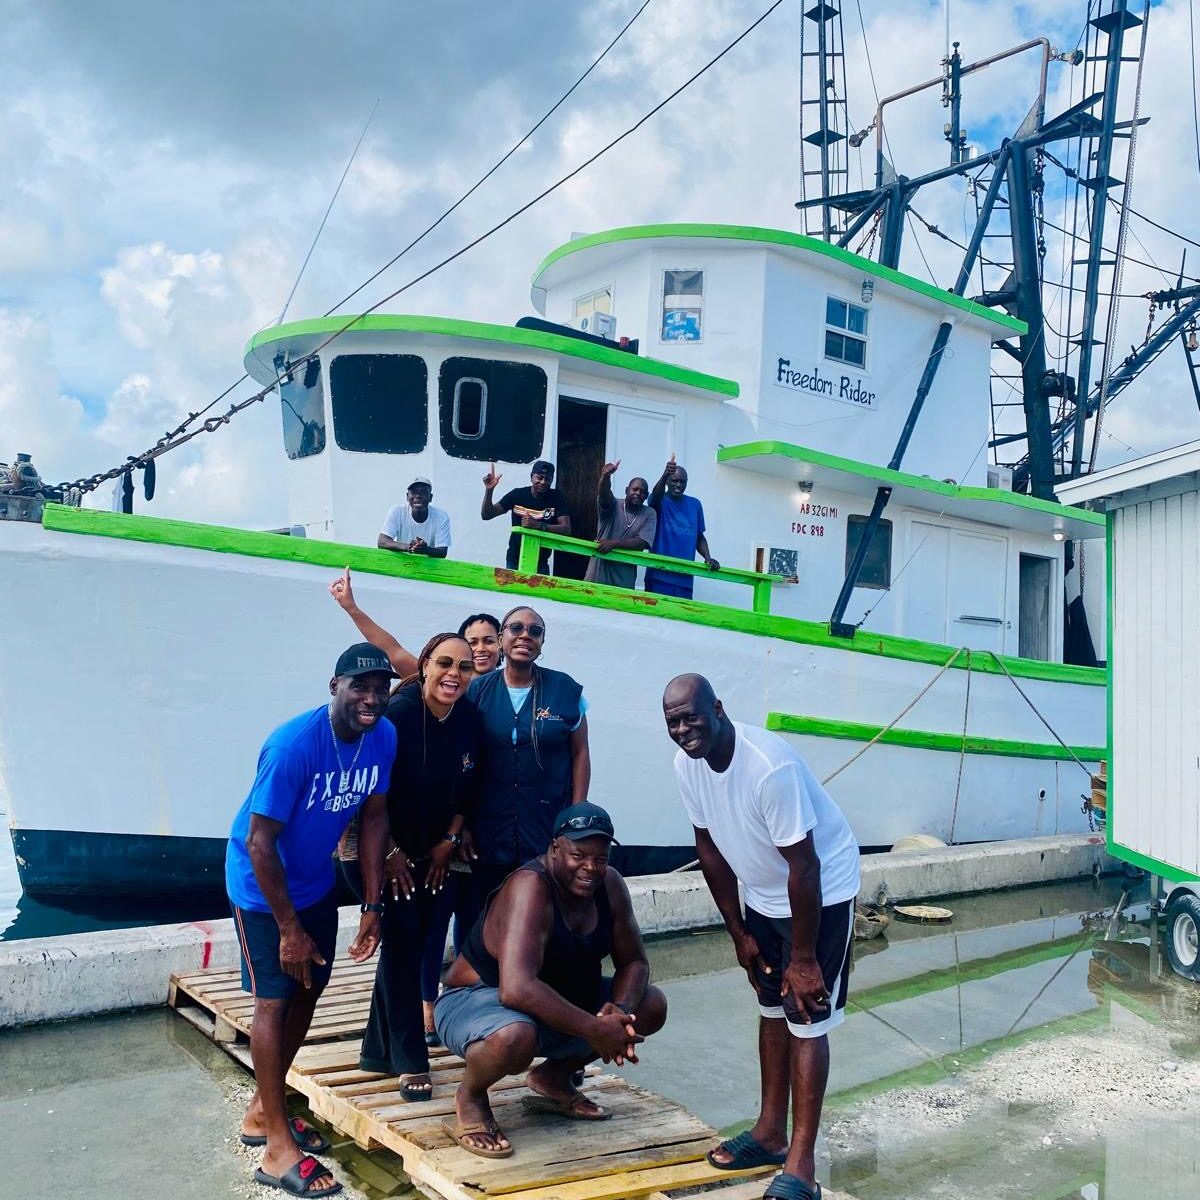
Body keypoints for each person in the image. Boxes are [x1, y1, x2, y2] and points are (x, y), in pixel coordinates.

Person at [662, 674, 861, 1200]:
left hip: (820, 893)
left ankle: (801, 1166)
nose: (684, 729)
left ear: (719, 709)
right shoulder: (688, 765)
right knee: (772, 1008)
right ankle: (770, 1133)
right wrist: (738, 932)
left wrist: (804, 957)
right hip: (763, 893)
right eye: (673, 722)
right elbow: (707, 848)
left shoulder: (769, 767)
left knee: (807, 1015)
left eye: (691, 716)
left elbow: (806, 866)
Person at [226, 643, 399, 1198]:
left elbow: (374, 820)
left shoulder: (383, 737)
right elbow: (259, 843)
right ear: (334, 686)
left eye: (381, 687)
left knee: (308, 990)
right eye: (360, 686)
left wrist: (372, 905)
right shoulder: (293, 746)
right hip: (261, 889)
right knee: (274, 999)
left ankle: (262, 1112)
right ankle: (277, 1147)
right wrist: (288, 929)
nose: (371, 698)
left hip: (315, 885)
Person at [434, 803, 667, 1158]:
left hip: (554, 995)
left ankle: (553, 1078)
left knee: (650, 1005)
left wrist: (617, 1012)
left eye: (600, 858)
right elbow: (516, 988)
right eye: (578, 855)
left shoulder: (611, 885)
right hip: (475, 998)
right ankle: (471, 1095)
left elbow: (634, 961)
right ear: (555, 848)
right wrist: (594, 1028)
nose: (591, 868)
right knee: (515, 1036)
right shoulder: (530, 887)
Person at [357, 633, 485, 1098]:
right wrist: (390, 853)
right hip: (383, 847)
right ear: (425, 665)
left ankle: (376, 1049)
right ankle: (411, 1060)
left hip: (435, 852)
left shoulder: (469, 718)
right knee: (404, 944)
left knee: (412, 937)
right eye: (445, 663)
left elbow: (470, 788)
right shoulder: (399, 717)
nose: (454, 674)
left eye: (465, 667)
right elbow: (372, 800)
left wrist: (450, 840)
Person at [466, 605, 590, 907]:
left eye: (535, 631)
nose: (525, 635)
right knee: (483, 909)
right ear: (500, 638)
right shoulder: (476, 691)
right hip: (488, 826)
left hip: (546, 823)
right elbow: (464, 759)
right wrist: (463, 826)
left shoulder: (566, 689)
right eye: (516, 628)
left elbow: (580, 753)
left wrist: (576, 815)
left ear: (542, 642)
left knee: (544, 905)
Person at [644, 455, 719, 598]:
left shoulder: (695, 504)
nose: (678, 485)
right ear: (667, 481)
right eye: (674, 481)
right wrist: (665, 473)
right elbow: (654, 498)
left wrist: (708, 557)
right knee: (654, 619)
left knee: (680, 620)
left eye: (682, 482)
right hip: (658, 575)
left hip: (685, 579)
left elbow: (699, 537)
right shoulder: (660, 501)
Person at [480, 459, 571, 573]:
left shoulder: (556, 497)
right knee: (513, 591)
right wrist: (489, 491)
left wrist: (538, 525)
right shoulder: (517, 495)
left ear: (552, 480)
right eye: (539, 477)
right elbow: (487, 515)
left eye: (547, 479)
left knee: (539, 591)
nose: (543, 482)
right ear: (531, 477)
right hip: (514, 560)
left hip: (541, 563)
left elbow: (566, 528)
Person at [583, 460, 657, 590]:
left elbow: (642, 543)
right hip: (597, 576)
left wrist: (613, 543)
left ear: (646, 496)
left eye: (643, 492)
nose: (638, 493)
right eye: (635, 489)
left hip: (624, 581)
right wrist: (605, 476)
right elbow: (604, 493)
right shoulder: (613, 505)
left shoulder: (649, 513)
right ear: (627, 490)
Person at [378, 476, 452, 557]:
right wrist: (409, 547)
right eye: (413, 492)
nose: (418, 496)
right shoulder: (397, 511)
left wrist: (425, 549)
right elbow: (382, 542)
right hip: (403, 564)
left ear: (430, 498)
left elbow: (442, 552)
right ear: (407, 496)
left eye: (423, 492)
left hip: (429, 567)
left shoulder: (441, 517)